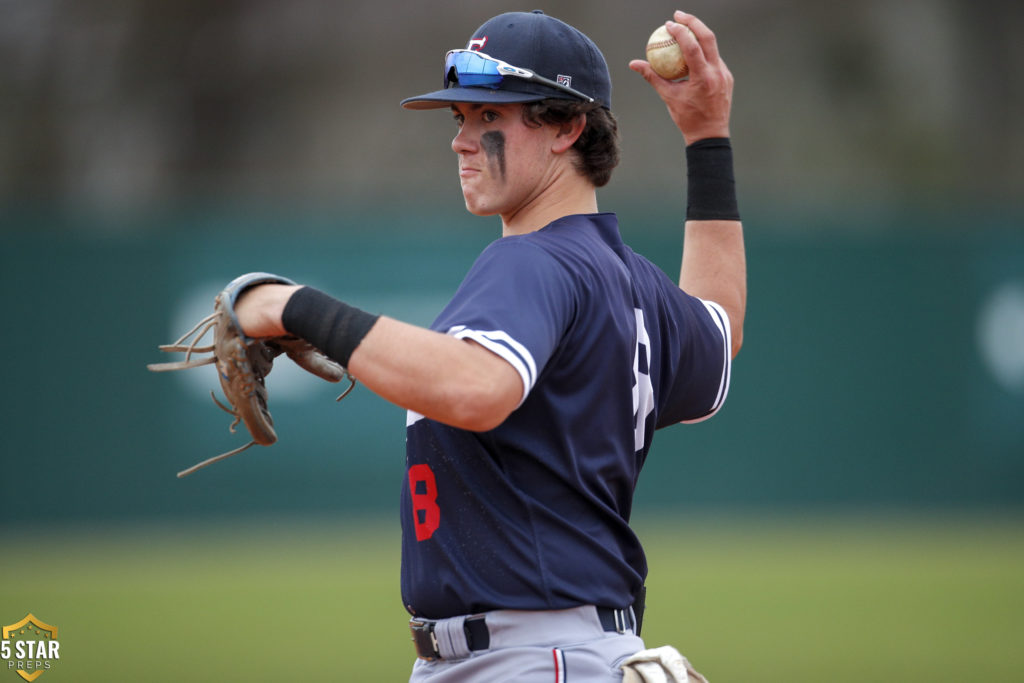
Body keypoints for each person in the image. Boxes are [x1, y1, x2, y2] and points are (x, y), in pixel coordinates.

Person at [234, 9, 744, 682]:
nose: (462, 141)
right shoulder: (631, 281)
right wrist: (707, 138)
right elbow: (720, 327)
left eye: (490, 119)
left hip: (525, 657)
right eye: (460, 119)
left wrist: (291, 304)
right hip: (568, 649)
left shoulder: (534, 264)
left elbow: (477, 388)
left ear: (567, 127)